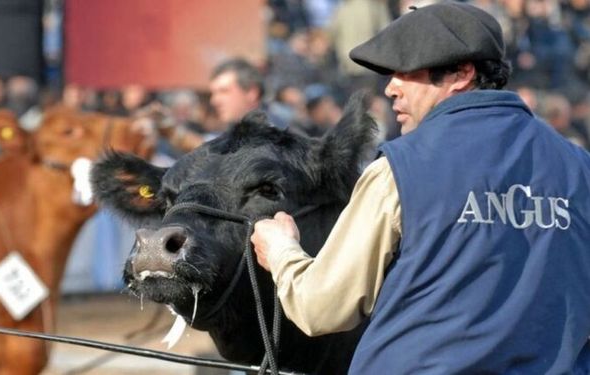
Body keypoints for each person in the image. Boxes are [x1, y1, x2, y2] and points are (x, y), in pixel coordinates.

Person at [251, 2, 590, 374]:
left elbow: (321, 308)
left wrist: (281, 250)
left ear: (461, 73)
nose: (391, 88)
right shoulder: (580, 168)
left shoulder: (400, 168)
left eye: (406, 71)